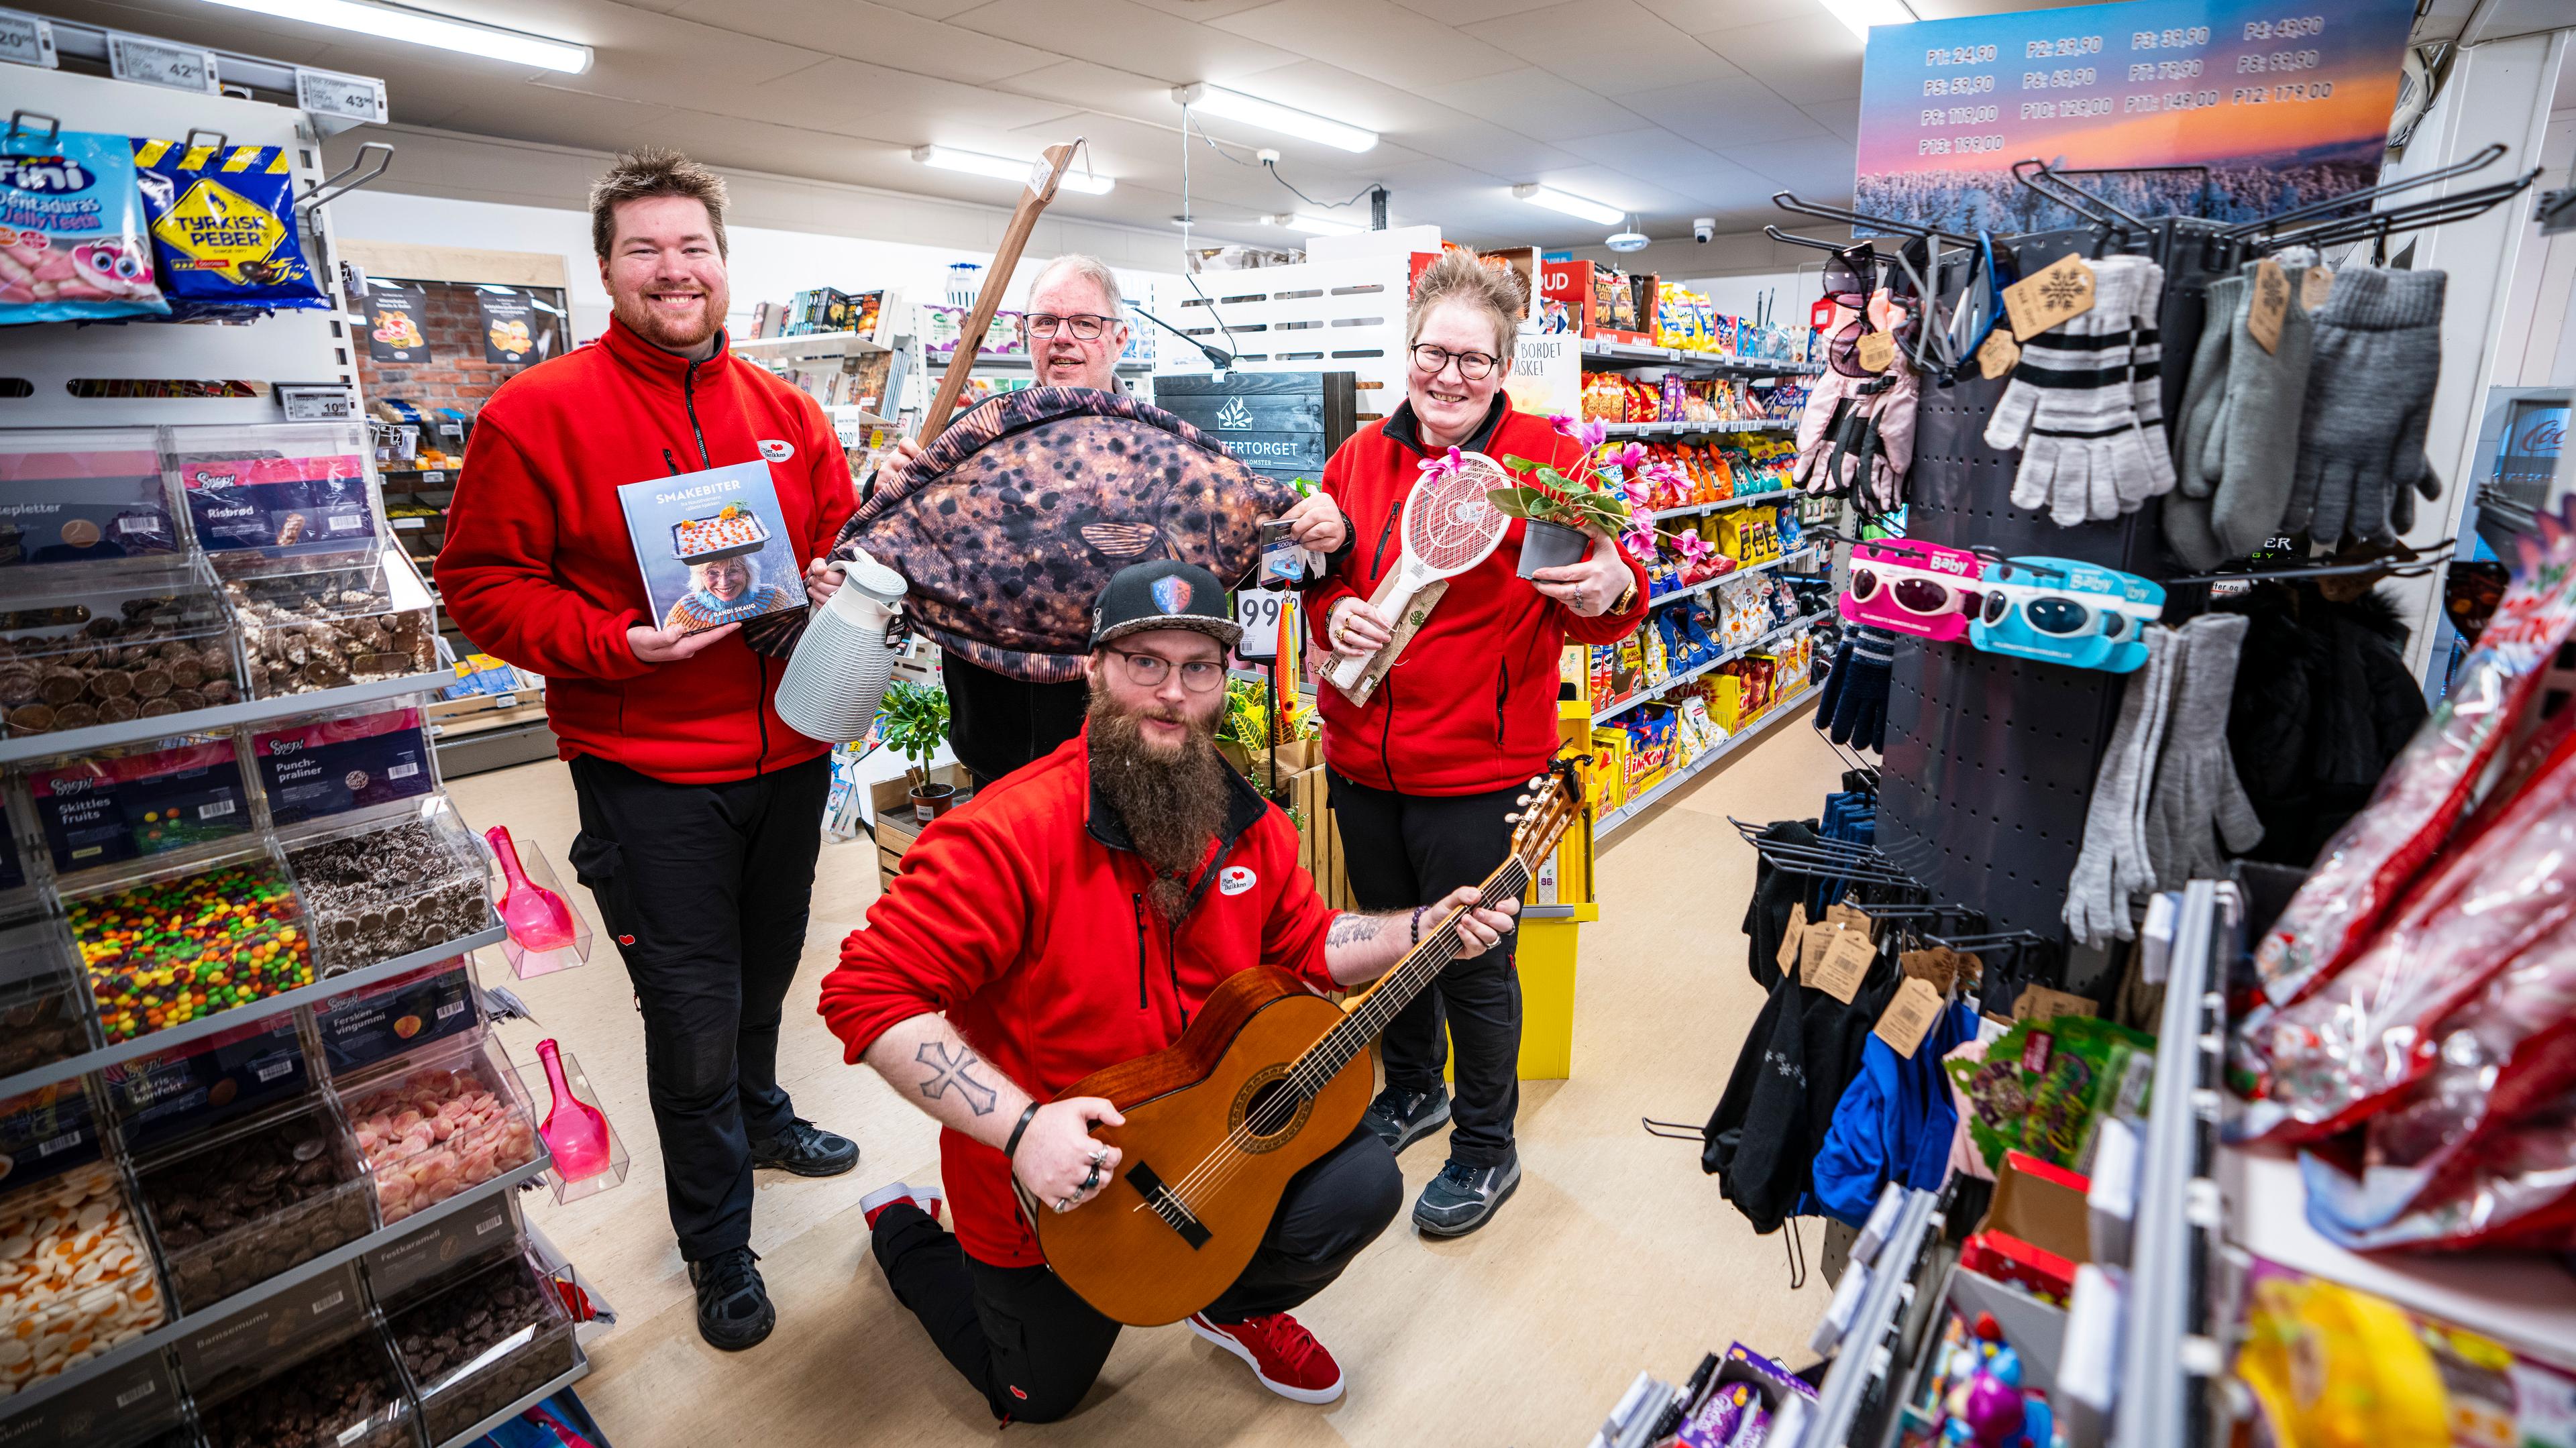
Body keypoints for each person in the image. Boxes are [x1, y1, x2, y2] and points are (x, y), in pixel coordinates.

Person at [818, 559, 1518, 1423]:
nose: (1171, 692)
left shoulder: (1245, 818)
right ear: (1094, 668)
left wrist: (1418, 929)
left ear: (1225, 679)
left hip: (1198, 1150)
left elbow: (1306, 939)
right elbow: (867, 993)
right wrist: (1022, 1128)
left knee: (1364, 1180)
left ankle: (1225, 1301)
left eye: (1198, 667)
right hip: (1044, 1183)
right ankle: (905, 1226)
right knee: (1036, 1399)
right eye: (1144, 661)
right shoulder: (1004, 835)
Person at [438, 149, 862, 1354]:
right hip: (648, 771)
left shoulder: (788, 414)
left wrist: (835, 580)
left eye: (694, 248)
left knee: (768, 964)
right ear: (608, 266)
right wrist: (617, 641)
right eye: (646, 250)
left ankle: (768, 1112)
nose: (674, 271)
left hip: (788, 757)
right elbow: (480, 583)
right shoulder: (535, 413)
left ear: (726, 264)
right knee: (689, 1009)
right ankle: (717, 1242)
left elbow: (837, 539)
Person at [1301, 248, 1648, 1237]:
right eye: (1432, 353)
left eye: (1474, 360)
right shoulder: (1359, 460)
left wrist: (1612, 586)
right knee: (1389, 936)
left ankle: (1488, 1146)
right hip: (1364, 756)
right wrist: (1337, 612)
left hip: (1483, 765)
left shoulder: (1547, 464)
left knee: (1472, 959)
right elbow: (1328, 583)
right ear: (1406, 351)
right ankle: (1414, 1090)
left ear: (1504, 364)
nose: (1448, 376)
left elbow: (1587, 602)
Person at [820, 254, 1346, 786]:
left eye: (1084, 323)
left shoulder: (1174, 454)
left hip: (1131, 755)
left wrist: (1326, 534)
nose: (1062, 338)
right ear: (1028, 336)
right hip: (997, 754)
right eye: (1045, 322)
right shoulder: (971, 438)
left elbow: (1256, 563)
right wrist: (883, 490)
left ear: (1119, 339)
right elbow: (902, 555)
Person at [660, 553, 796, 631]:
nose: (724, 583)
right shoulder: (685, 611)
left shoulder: (775, 598)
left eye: (733, 571)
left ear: (748, 572)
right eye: (712, 573)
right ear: (700, 576)